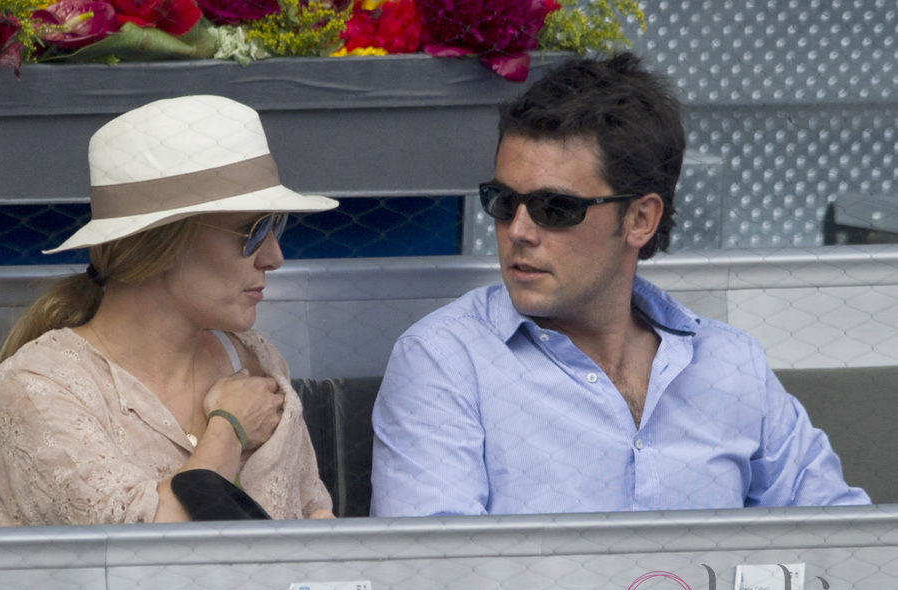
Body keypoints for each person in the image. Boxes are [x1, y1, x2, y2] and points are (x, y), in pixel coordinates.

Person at [370, 53, 870, 517]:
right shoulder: (445, 362)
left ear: (640, 218)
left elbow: (839, 537)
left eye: (555, 208)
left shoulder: (729, 363)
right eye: (502, 201)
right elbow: (437, 581)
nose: (518, 231)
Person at [0, 95, 337, 525]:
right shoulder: (40, 387)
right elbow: (137, 557)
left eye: (276, 226)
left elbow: (313, 513)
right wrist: (228, 429)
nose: (274, 257)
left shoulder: (256, 358)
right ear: (164, 243)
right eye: (254, 230)